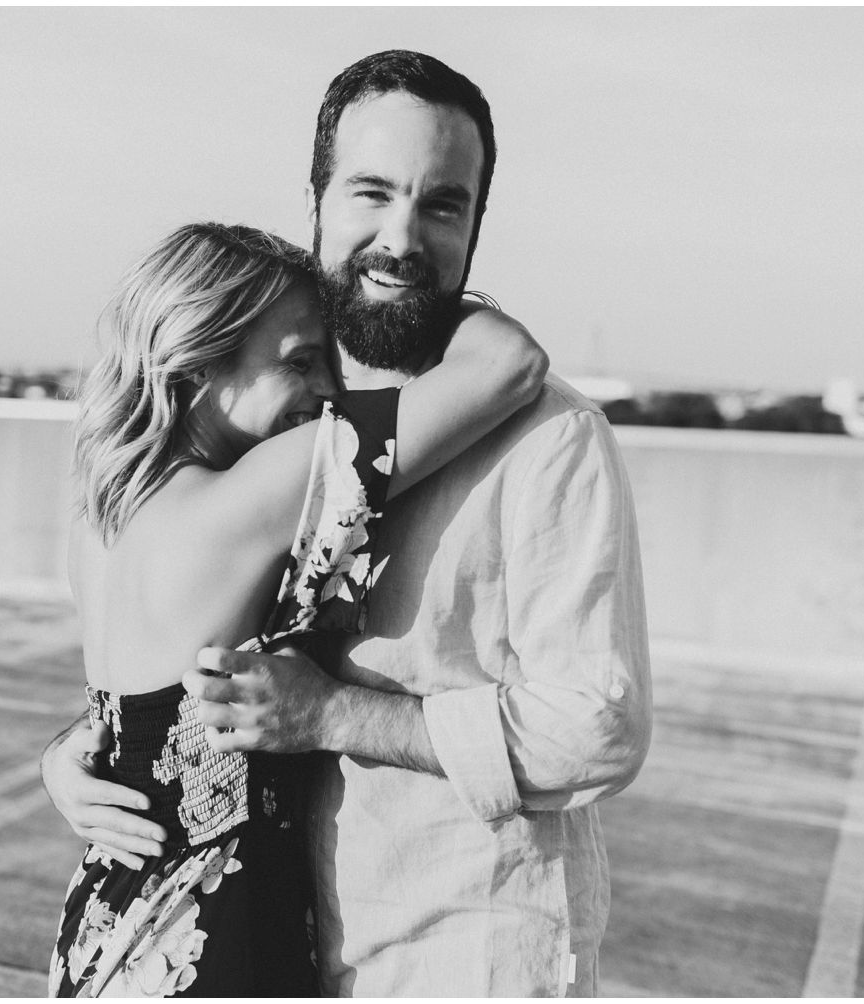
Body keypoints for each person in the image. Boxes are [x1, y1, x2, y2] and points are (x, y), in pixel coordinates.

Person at [44, 50, 652, 997]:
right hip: (271, 941)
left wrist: (336, 715)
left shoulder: (551, 441)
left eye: (443, 205)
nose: (402, 238)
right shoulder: (277, 431)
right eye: (372, 192)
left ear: (476, 224)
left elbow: (599, 731)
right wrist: (76, 756)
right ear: (318, 196)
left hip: (454, 953)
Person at [47, 220, 547, 996]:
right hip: (212, 940)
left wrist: (58, 754)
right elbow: (509, 366)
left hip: (105, 927)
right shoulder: (254, 494)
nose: (326, 393)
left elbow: (137, 710)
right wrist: (401, 281)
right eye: (300, 362)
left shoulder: (99, 511)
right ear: (201, 361)